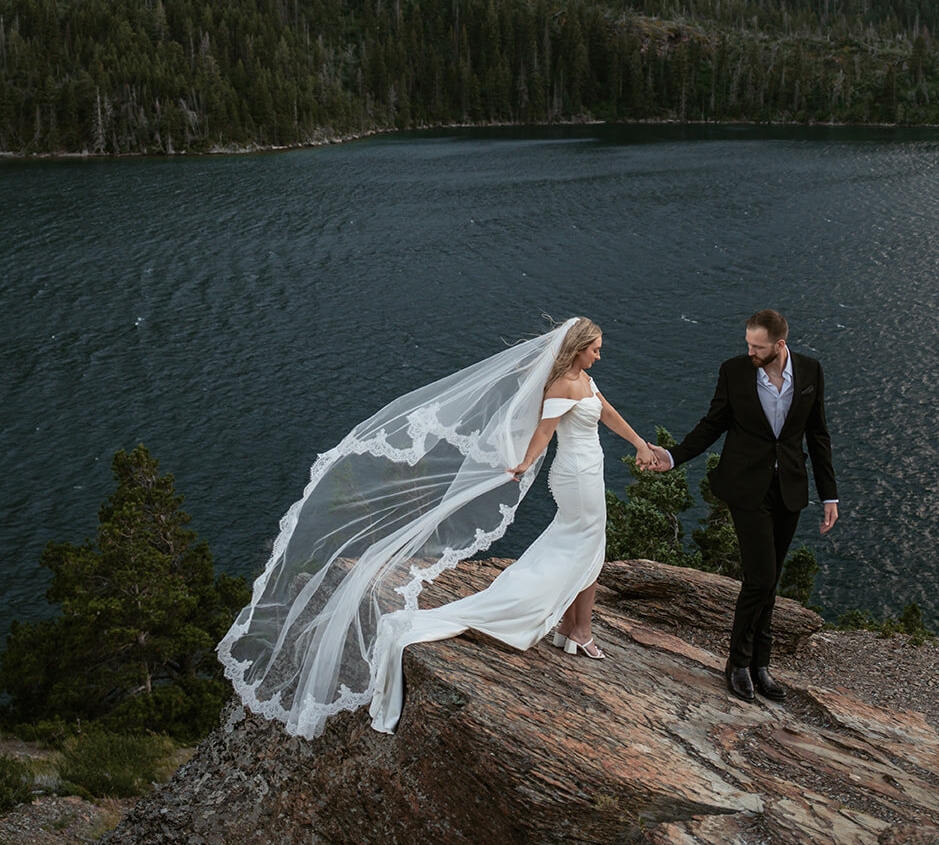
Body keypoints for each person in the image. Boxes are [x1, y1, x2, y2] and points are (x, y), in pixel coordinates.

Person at [218, 316, 654, 738]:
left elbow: (608, 413)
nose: (599, 357)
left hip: (591, 469)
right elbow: (544, 432)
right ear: (578, 349)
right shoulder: (562, 383)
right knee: (586, 544)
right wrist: (523, 463)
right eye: (595, 350)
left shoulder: (586, 381)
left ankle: (572, 630)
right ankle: (576, 630)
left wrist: (639, 444)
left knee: (588, 547)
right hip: (575, 474)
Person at [644, 309, 837, 704]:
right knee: (760, 577)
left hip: (789, 489)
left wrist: (829, 494)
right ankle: (737, 663)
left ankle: (761, 666)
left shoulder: (811, 371)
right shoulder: (734, 371)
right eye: (748, 344)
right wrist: (674, 456)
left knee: (771, 579)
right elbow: (713, 423)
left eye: (758, 347)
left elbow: (817, 434)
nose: (749, 352)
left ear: (780, 345)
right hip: (747, 488)